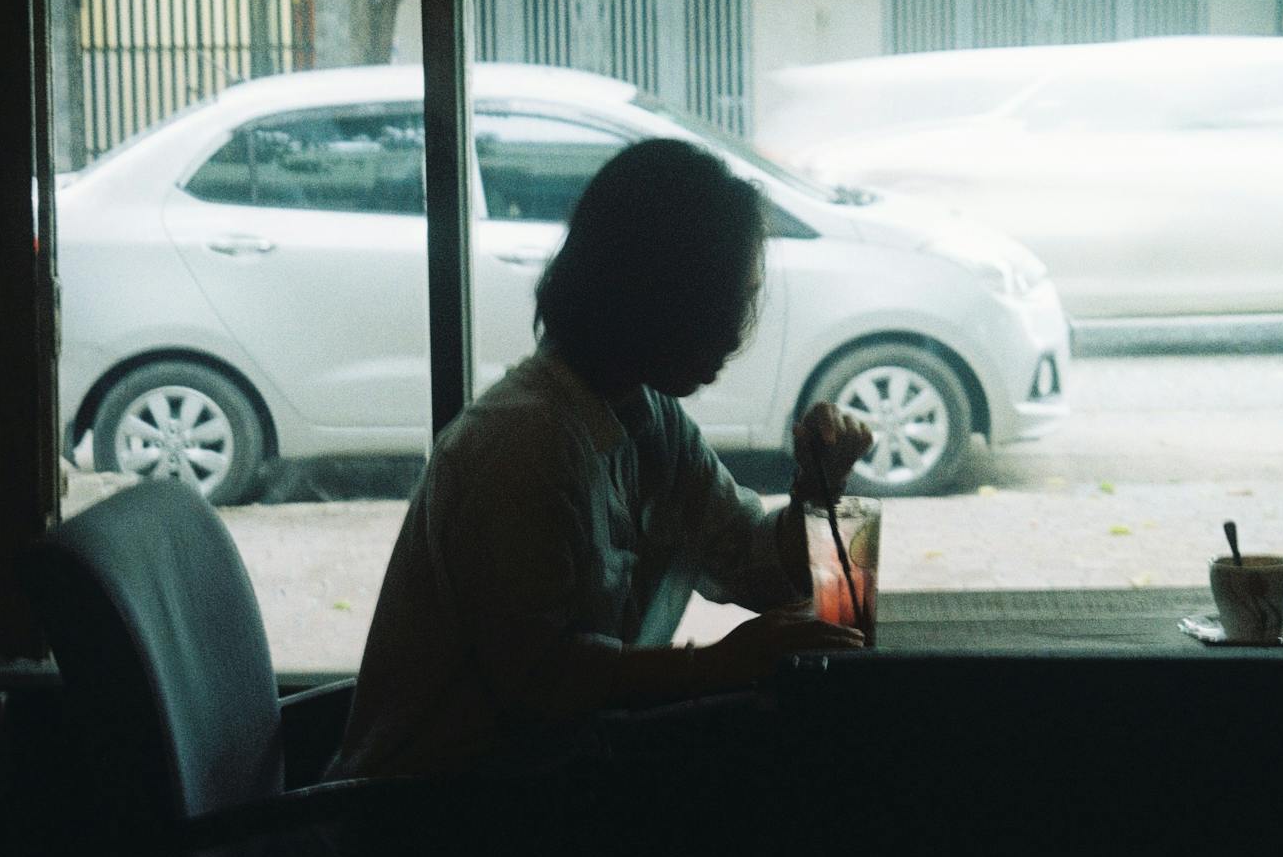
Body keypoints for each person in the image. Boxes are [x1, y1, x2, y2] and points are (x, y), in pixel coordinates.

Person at [329, 137, 874, 784]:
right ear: (645, 290)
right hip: (437, 829)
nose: (732, 333)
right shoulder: (522, 446)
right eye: (719, 300)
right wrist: (721, 665)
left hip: (553, 785)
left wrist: (816, 490)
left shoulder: (647, 418)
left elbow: (750, 565)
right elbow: (539, 686)